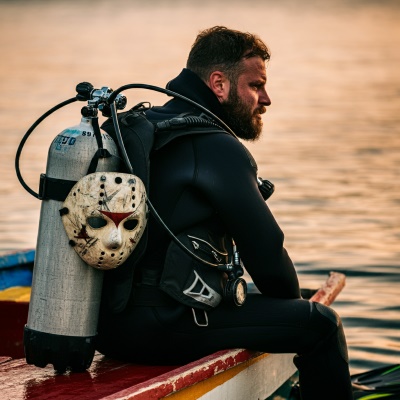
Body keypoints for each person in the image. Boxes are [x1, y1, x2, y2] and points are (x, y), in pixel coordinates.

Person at [96, 26, 353, 400]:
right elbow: (269, 262)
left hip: (108, 328)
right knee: (320, 325)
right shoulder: (215, 147)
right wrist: (292, 306)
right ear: (219, 83)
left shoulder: (144, 127)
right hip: (159, 329)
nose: (266, 99)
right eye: (256, 85)